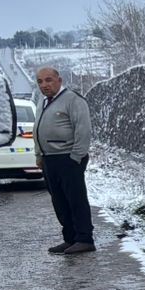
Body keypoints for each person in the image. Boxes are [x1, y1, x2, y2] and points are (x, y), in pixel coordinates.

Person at [33, 66, 95, 255]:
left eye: (49, 80)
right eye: (40, 81)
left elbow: (83, 130)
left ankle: (85, 239)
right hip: (49, 159)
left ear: (59, 80)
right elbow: (37, 130)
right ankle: (70, 238)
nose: (44, 85)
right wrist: (39, 155)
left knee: (76, 200)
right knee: (59, 202)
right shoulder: (43, 101)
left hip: (68, 158)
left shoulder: (73, 100)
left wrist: (76, 157)